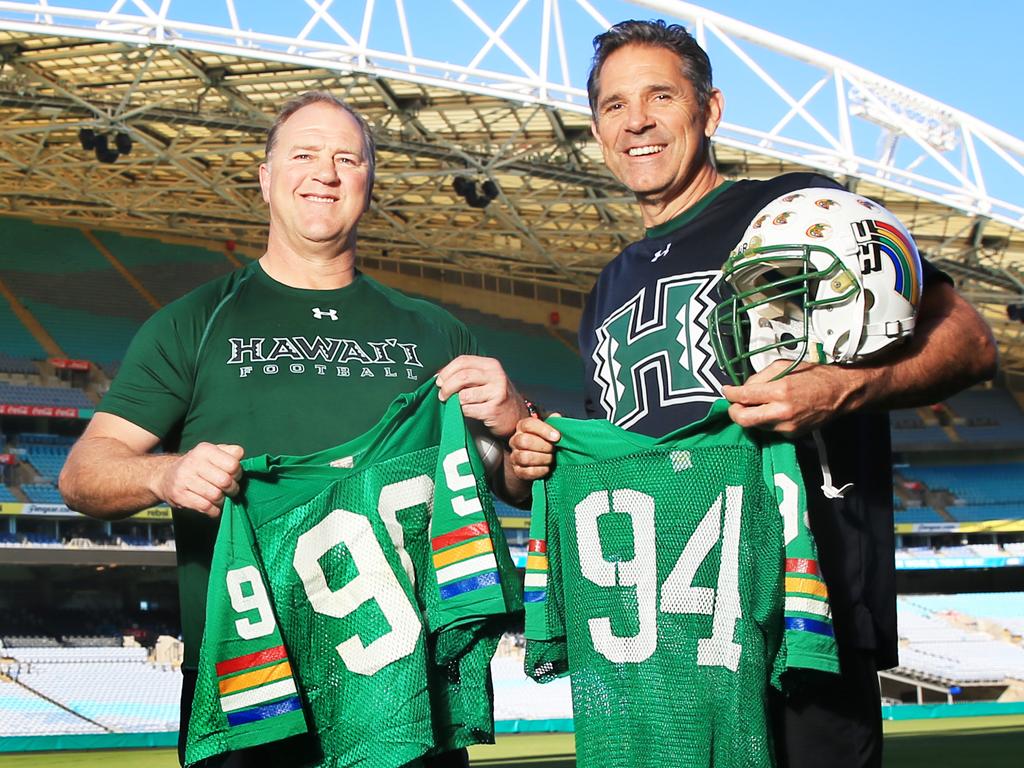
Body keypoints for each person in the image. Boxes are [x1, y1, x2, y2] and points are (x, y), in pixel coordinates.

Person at [510, 20, 996, 768]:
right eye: (613, 105)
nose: (635, 120)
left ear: (710, 110)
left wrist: (844, 386)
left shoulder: (795, 212)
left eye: (659, 96)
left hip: (805, 617)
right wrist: (544, 450)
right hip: (672, 638)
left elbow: (967, 337)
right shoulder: (606, 288)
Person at [59, 90, 529, 768]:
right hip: (252, 686)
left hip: (407, 688)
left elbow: (509, 483)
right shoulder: (196, 322)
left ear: (370, 180)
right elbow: (81, 474)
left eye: (347, 158)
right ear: (265, 178)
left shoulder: (437, 333)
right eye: (304, 154)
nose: (326, 173)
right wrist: (164, 472)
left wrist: (517, 417)